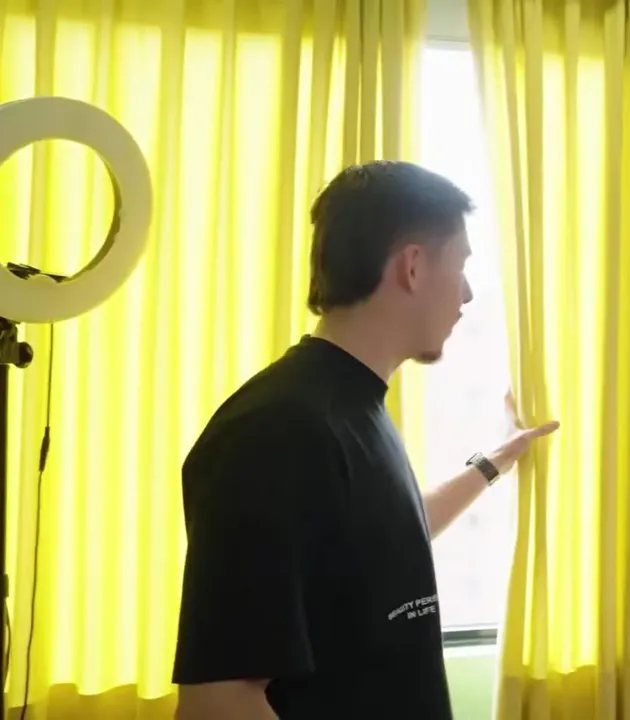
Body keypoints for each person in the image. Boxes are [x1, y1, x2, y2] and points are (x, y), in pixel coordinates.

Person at [171, 161, 559, 720]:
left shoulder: (354, 407)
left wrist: (493, 463)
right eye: (461, 265)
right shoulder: (273, 431)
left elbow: (384, 538)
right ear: (413, 267)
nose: (468, 293)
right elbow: (218, 701)